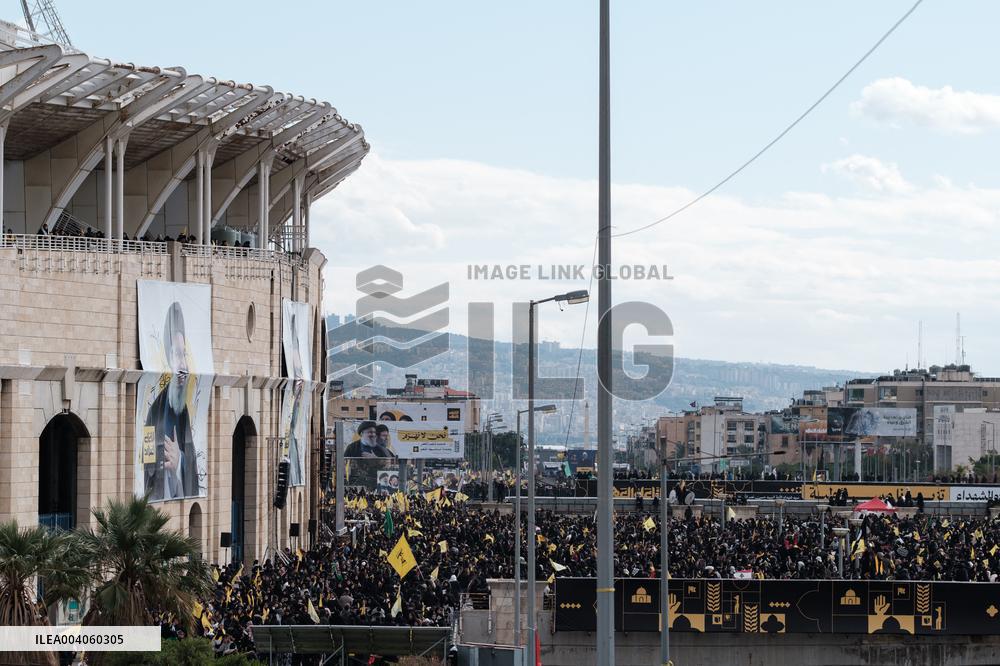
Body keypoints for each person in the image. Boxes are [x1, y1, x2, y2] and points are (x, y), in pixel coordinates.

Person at [143, 302, 199, 500]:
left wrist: (180, 460)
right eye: (177, 354)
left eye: (184, 354)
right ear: (168, 358)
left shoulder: (182, 410)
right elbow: (148, 468)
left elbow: (191, 463)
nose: (183, 365)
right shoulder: (154, 412)